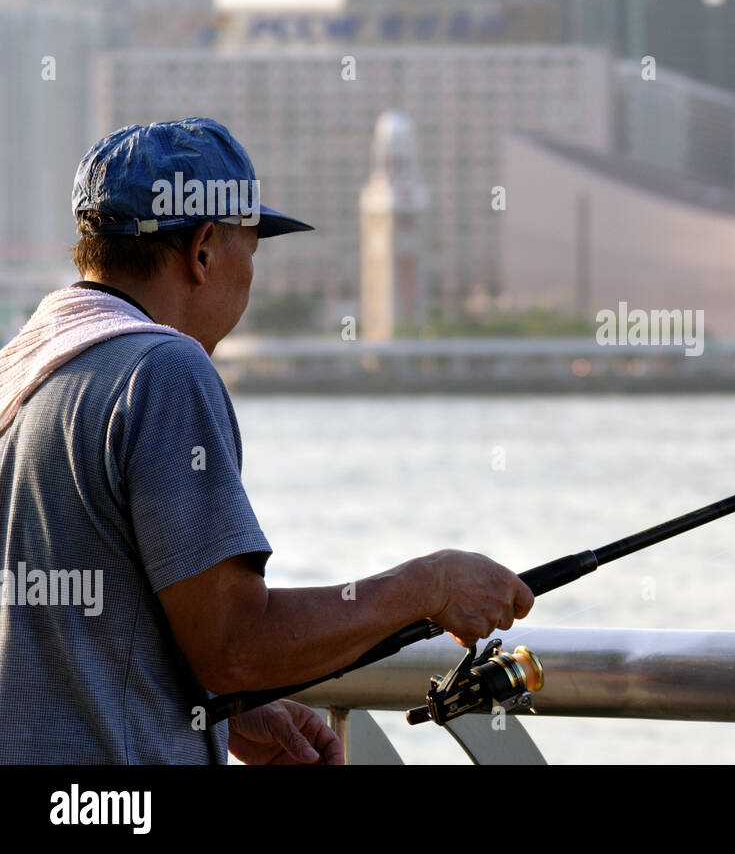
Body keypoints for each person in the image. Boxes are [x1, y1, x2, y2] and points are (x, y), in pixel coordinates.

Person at [0, 117, 533, 764]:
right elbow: (235, 645)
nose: (252, 275)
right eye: (251, 246)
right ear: (203, 250)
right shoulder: (163, 370)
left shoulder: (19, 373)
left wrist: (213, 714)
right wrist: (431, 584)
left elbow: (62, 639)